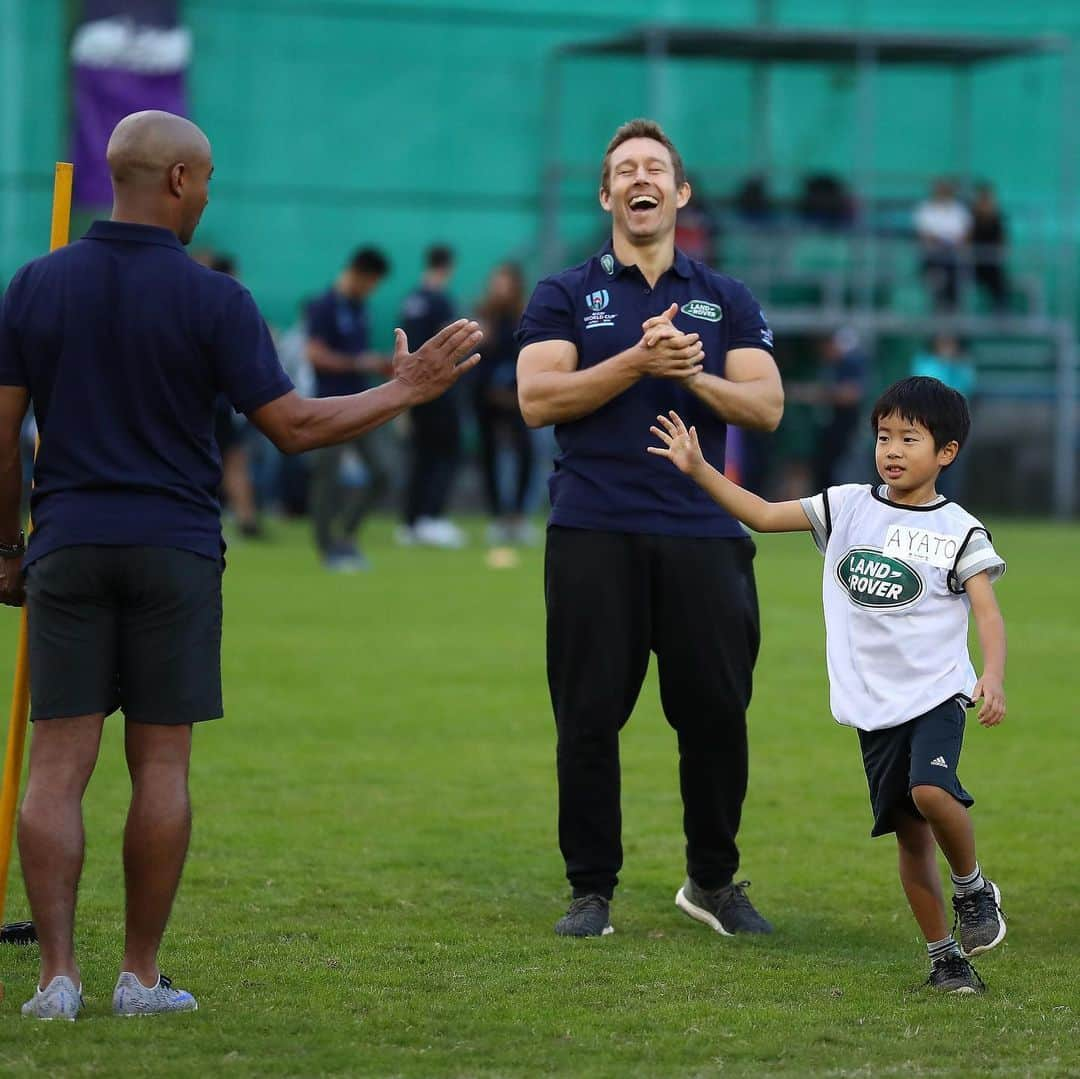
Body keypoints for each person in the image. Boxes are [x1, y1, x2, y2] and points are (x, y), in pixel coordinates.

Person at [0, 109, 481, 1020]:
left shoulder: (34, 284)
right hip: (175, 552)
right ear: (178, 181)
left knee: (56, 768)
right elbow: (292, 430)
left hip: (65, 541)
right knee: (162, 767)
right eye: (209, 177)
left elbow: (0, 442)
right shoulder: (216, 299)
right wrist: (404, 389)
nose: (209, 192)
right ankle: (138, 976)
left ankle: (53, 978)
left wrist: (7, 549)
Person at [648, 375, 1007, 994]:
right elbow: (761, 514)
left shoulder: (961, 529)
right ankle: (945, 957)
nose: (891, 450)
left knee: (931, 791)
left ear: (946, 452)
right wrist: (700, 469)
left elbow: (988, 612)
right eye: (883, 436)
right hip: (873, 705)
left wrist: (992, 676)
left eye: (909, 439)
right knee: (910, 835)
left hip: (937, 692)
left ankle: (974, 889)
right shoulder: (847, 506)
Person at [516, 118, 783, 938]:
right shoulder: (563, 293)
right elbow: (536, 399)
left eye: (656, 168)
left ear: (679, 192)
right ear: (607, 195)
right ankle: (590, 890)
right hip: (594, 527)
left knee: (715, 714)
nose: (642, 179)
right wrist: (637, 358)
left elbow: (767, 406)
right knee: (589, 715)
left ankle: (712, 880)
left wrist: (690, 368)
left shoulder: (725, 298)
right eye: (625, 169)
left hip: (705, 534)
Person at [306, 247, 393, 571]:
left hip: (361, 405)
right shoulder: (324, 305)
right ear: (361, 274)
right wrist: (357, 361)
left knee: (384, 472)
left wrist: (377, 365)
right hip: (328, 407)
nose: (373, 289)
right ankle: (327, 549)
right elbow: (314, 354)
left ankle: (348, 536)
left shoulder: (360, 307)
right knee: (327, 478)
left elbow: (357, 355)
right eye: (373, 282)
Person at [398, 245, 465, 549]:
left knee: (421, 454)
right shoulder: (440, 301)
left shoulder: (412, 299)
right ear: (448, 267)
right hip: (438, 387)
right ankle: (431, 517)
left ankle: (411, 521)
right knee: (446, 452)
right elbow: (448, 344)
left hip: (412, 385)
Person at [473, 261, 534, 546]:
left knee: (525, 452)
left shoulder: (526, 317)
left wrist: (514, 391)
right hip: (486, 397)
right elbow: (477, 362)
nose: (500, 287)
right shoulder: (483, 316)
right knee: (488, 455)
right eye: (497, 281)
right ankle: (497, 516)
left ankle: (519, 517)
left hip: (517, 396)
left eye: (505, 282)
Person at [209, 253, 263, 537]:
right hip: (216, 403)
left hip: (218, 403)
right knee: (232, 460)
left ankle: (245, 518)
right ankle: (244, 518)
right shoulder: (227, 303)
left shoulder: (205, 301)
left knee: (232, 459)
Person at [914, 179, 972, 312]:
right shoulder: (925, 209)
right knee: (936, 277)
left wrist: (946, 241)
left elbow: (966, 236)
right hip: (933, 256)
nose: (943, 193)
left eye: (946, 190)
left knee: (956, 276)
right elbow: (924, 236)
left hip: (954, 257)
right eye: (940, 190)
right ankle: (938, 309)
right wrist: (944, 241)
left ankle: (952, 311)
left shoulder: (960, 210)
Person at [970, 183, 1009, 312]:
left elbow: (1002, 243)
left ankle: (1000, 307)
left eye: (987, 200)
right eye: (982, 200)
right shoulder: (970, 219)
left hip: (992, 264)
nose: (985, 204)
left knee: (996, 274)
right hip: (974, 264)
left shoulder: (997, 220)